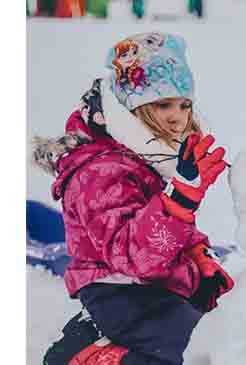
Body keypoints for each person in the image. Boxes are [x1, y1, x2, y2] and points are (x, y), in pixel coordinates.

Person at [32, 32, 234, 365]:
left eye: (184, 105)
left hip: (155, 285)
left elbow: (161, 227)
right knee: (190, 351)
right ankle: (93, 357)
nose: (177, 116)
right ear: (132, 108)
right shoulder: (99, 171)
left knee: (222, 328)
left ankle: (94, 337)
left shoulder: (149, 156)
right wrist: (180, 200)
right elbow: (132, 254)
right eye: (163, 103)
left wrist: (198, 253)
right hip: (119, 292)